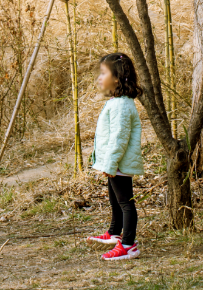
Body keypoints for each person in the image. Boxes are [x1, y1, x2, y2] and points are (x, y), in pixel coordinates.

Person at [85, 52, 144, 261]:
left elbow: (119, 138)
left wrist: (110, 164)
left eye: (103, 73)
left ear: (117, 77)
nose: (99, 78)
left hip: (119, 162)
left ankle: (128, 245)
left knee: (125, 202)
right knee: (115, 199)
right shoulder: (117, 101)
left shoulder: (121, 105)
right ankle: (114, 233)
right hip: (115, 162)